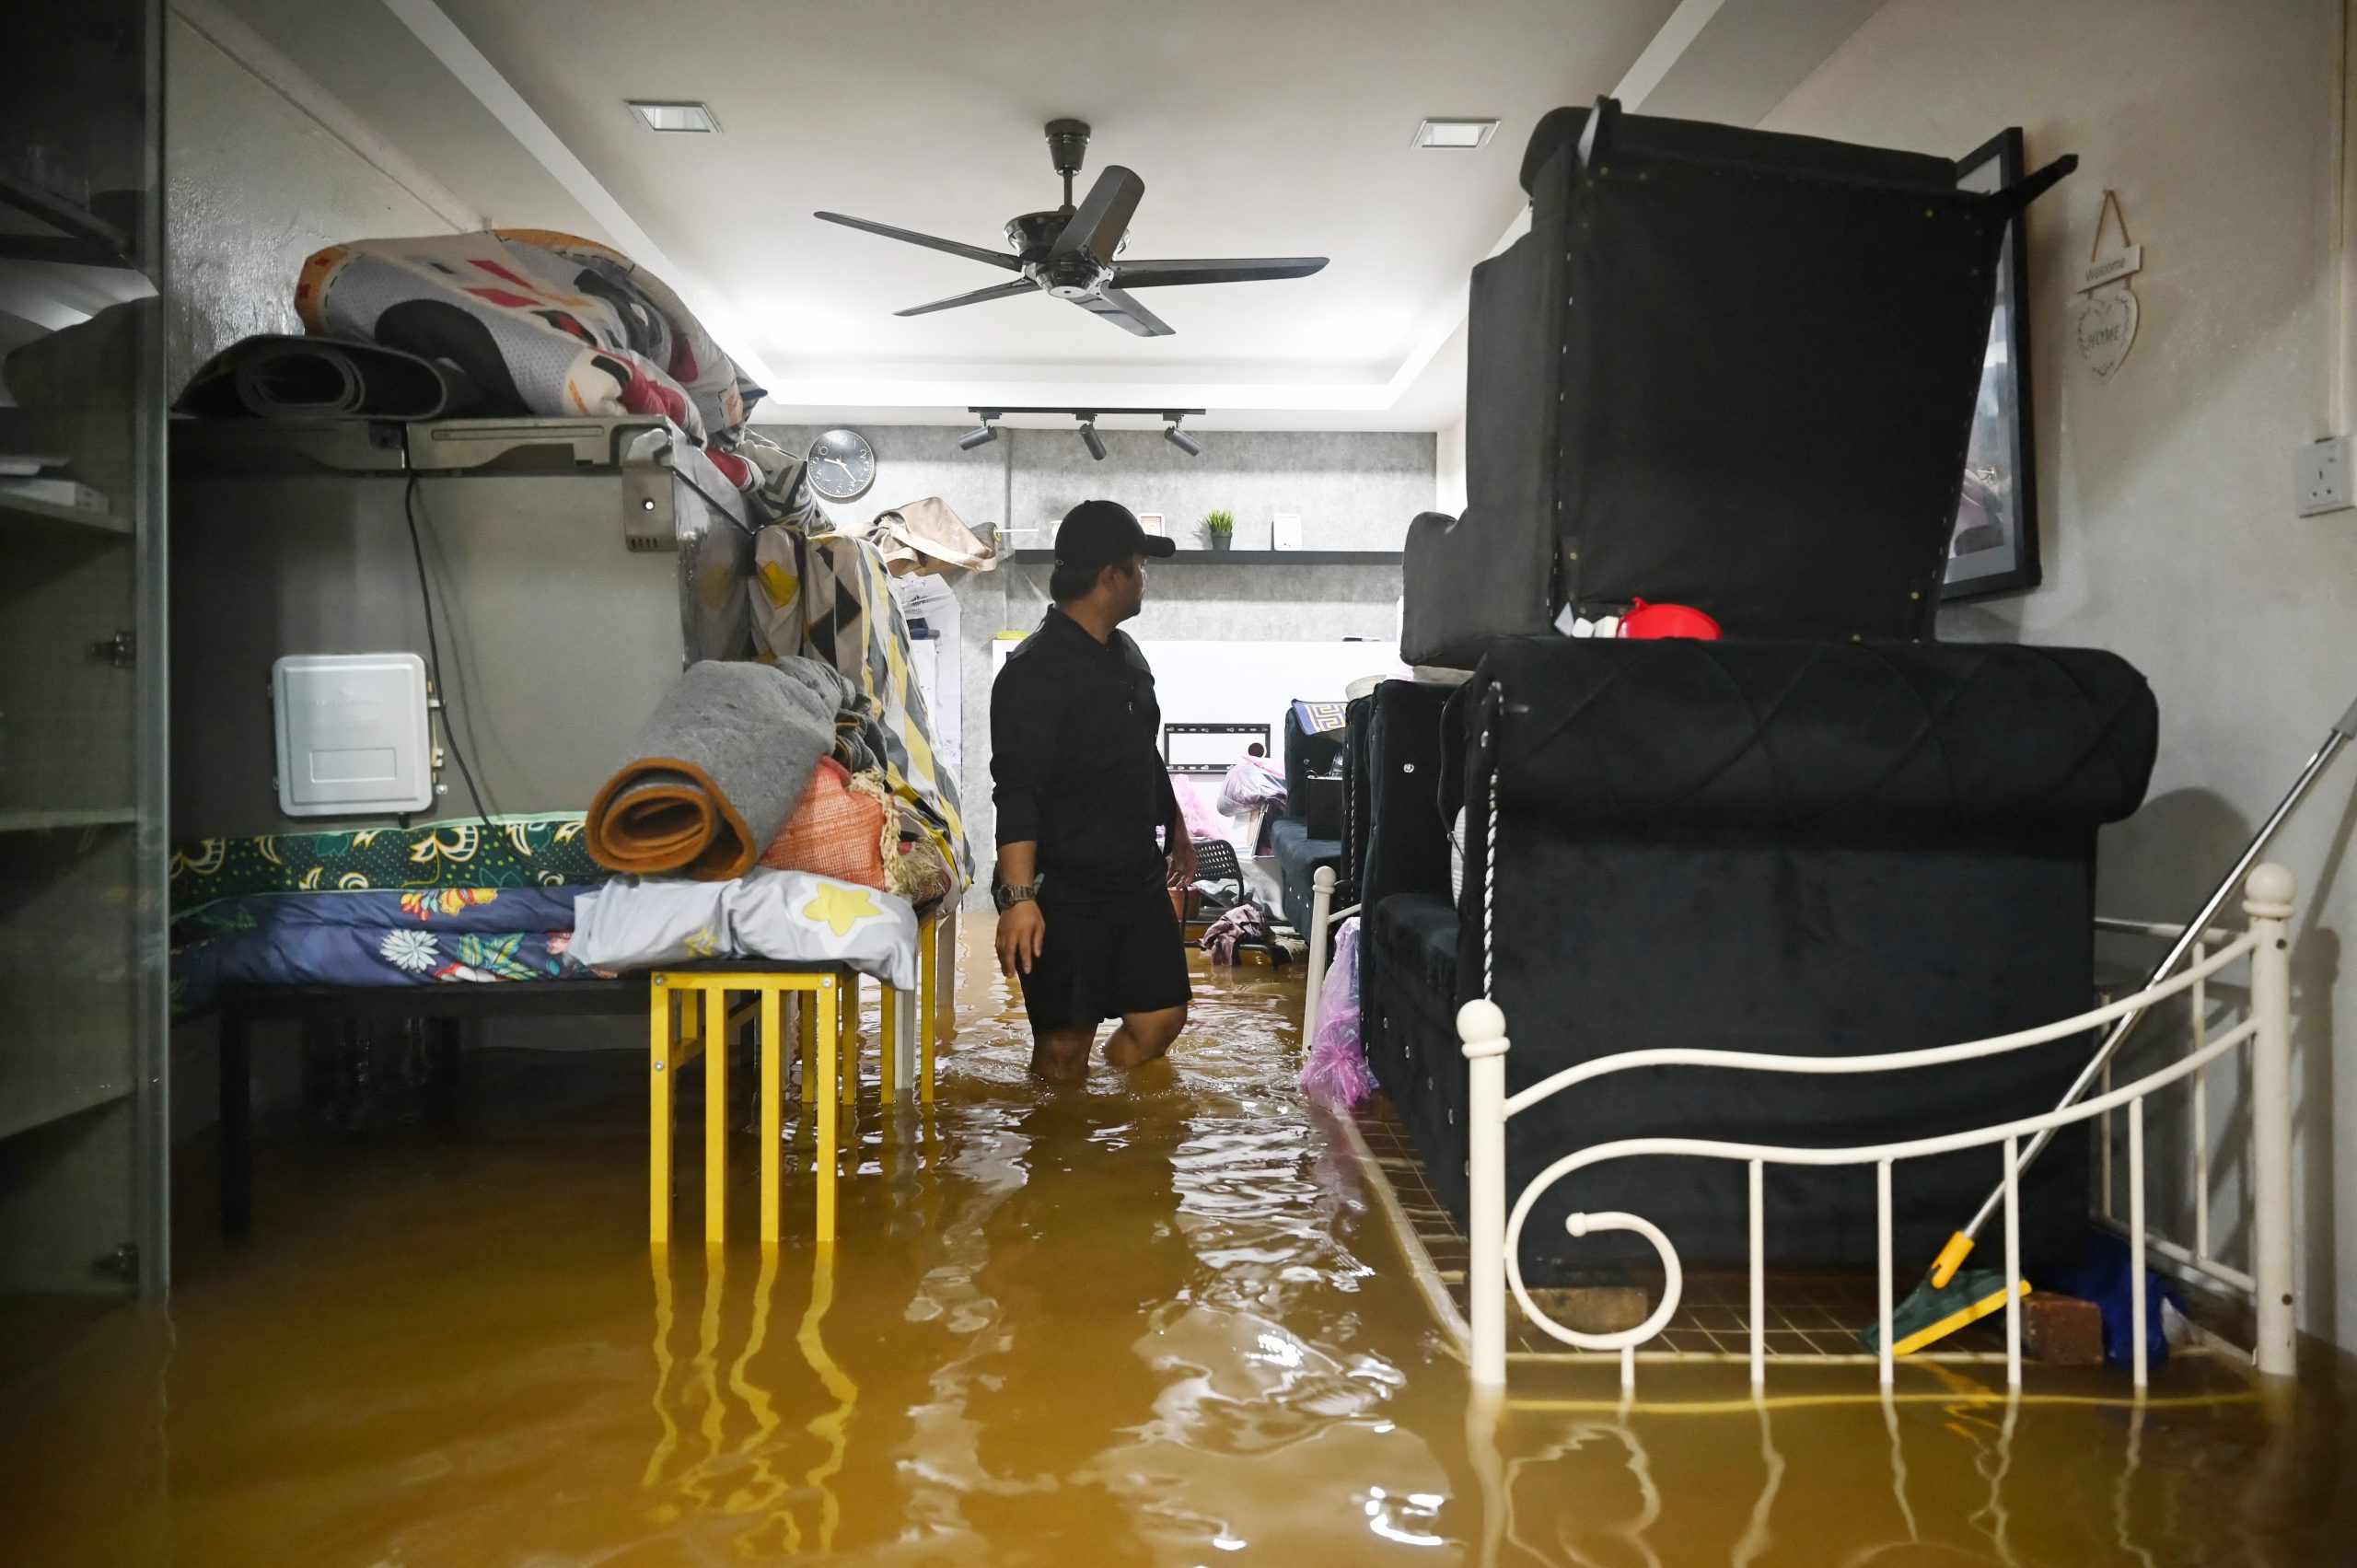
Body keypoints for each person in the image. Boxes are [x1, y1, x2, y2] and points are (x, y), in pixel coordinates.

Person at [991, 499, 1194, 1082]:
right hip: (1065, 889)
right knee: (1063, 1044)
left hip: (1133, 877)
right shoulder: (1032, 672)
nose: (1144, 580)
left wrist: (1176, 824)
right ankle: (1061, 1156)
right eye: (1139, 566)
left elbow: (1141, 749)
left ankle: (1108, 1111)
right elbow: (1017, 789)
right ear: (1111, 576)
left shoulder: (1126, 656)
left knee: (1162, 1018)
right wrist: (1019, 897)